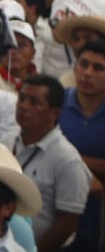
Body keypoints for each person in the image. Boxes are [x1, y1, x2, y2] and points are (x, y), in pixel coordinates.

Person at [0, 74, 91, 251]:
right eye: (22, 98)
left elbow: (67, 222)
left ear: (53, 113)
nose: (23, 106)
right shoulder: (6, 141)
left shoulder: (67, 159)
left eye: (34, 102)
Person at [60, 37, 105, 252]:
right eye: (83, 64)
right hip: (55, 217)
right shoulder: (55, 102)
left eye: (98, 68)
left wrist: (71, 160)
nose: (88, 73)